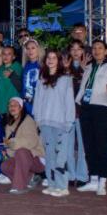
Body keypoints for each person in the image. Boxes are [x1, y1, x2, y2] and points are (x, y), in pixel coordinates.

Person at [75, 40, 107, 195]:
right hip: (86, 109)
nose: (97, 51)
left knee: (102, 146)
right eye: (94, 48)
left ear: (106, 51)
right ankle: (93, 179)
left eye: (100, 48)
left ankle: (103, 181)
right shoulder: (88, 68)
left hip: (101, 109)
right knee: (89, 146)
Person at [33, 50, 76, 197]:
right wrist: (37, 119)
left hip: (60, 123)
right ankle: (52, 184)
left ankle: (62, 186)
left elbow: (69, 102)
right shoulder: (42, 78)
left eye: (54, 58)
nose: (51, 60)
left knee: (60, 156)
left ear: (58, 61)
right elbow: (37, 100)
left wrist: (69, 121)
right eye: (48, 58)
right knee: (49, 156)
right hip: (45, 123)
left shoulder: (65, 79)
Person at [0, 97, 45, 194]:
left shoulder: (28, 120)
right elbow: (12, 151)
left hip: (36, 158)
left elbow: (32, 141)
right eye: (10, 106)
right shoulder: (9, 125)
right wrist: (7, 148)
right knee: (5, 166)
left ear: (21, 107)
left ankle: (19, 186)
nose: (12, 107)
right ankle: (31, 178)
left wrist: (12, 143)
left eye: (15, 105)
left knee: (21, 152)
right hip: (21, 158)